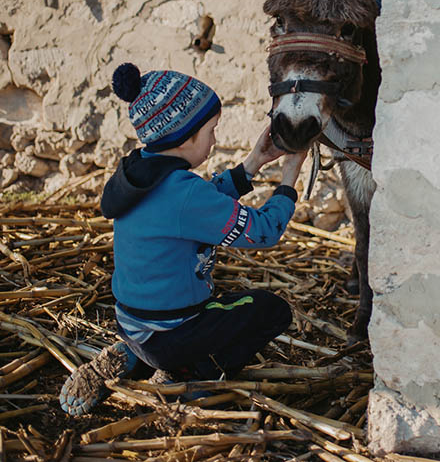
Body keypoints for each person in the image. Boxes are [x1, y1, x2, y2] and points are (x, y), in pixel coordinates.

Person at [59, 63, 306, 416]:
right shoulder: (184, 194)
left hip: (132, 323)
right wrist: (288, 182)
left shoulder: (139, 174)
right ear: (185, 136)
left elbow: (201, 203)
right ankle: (189, 377)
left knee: (222, 307)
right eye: (211, 131)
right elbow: (264, 231)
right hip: (175, 332)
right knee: (270, 310)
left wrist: (254, 163)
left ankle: (132, 354)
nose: (215, 140)